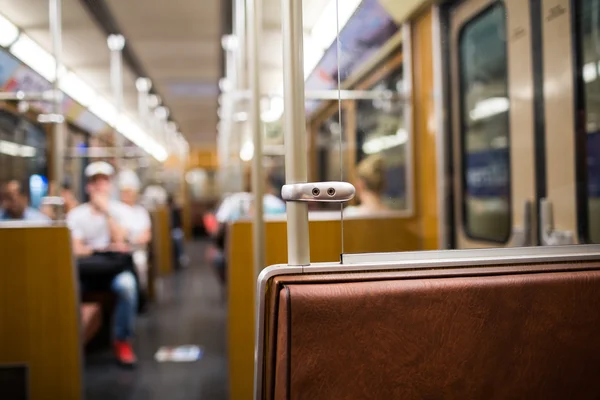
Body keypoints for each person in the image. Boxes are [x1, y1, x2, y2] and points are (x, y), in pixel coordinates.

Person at [66, 161, 138, 367]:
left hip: (113, 271)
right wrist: (105, 249)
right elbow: (77, 249)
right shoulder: (76, 215)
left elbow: (121, 240)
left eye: (104, 181)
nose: (99, 186)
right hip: (87, 271)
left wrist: (106, 212)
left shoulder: (121, 211)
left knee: (127, 287)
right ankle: (71, 340)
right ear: (88, 186)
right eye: (95, 181)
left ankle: (122, 340)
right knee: (68, 289)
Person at [118, 170, 152, 298]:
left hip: (138, 251)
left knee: (139, 262)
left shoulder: (141, 211)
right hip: (121, 251)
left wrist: (131, 239)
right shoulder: (116, 209)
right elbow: (119, 235)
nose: (127, 194)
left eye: (129, 191)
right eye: (124, 192)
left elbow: (146, 235)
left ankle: (141, 296)